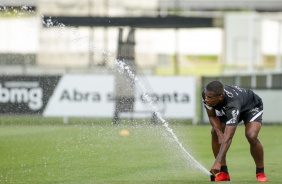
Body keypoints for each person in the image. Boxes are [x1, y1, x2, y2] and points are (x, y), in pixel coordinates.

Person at [202, 81, 268, 182]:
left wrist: (217, 161)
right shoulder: (208, 94)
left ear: (220, 97)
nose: (206, 100)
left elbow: (228, 138)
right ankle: (224, 173)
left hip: (251, 106)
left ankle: (260, 172)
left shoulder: (232, 105)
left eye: (209, 98)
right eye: (206, 96)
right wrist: (219, 133)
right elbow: (212, 116)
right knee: (215, 132)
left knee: (251, 135)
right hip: (230, 108)